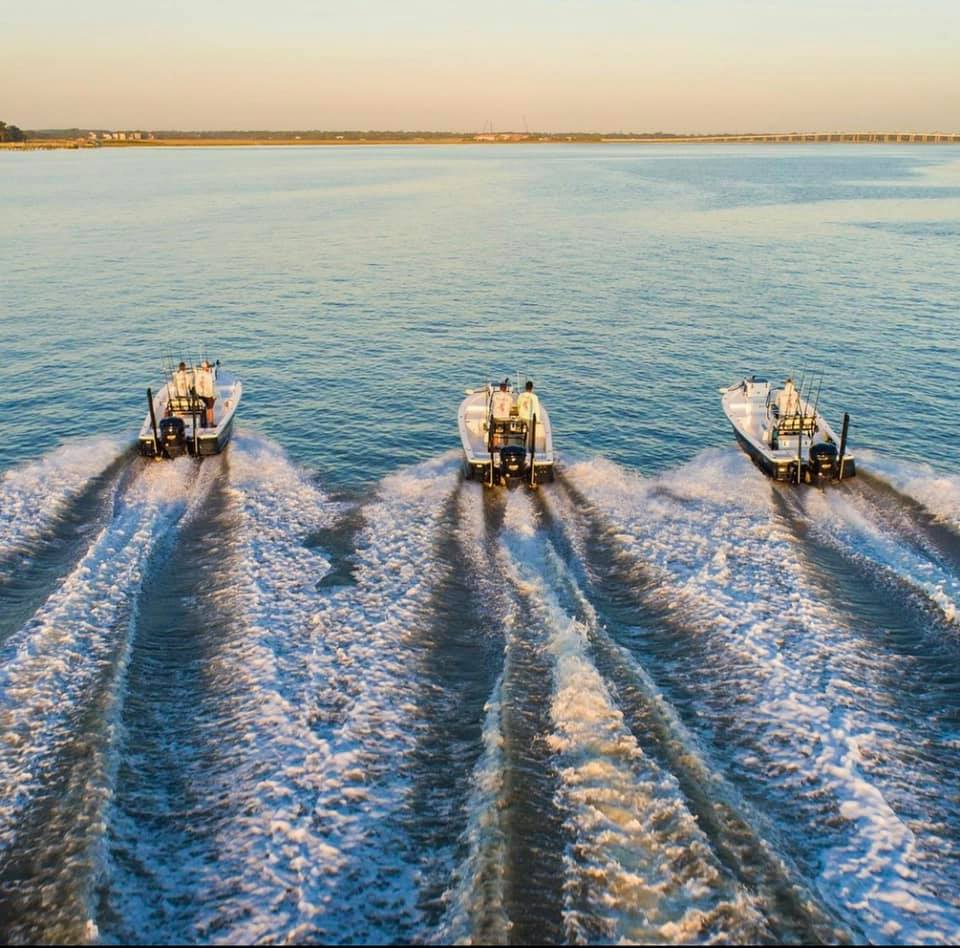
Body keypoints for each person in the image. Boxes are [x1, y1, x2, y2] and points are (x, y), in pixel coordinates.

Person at [195, 359, 217, 427]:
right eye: (208, 366)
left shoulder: (198, 374)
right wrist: (214, 396)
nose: (209, 367)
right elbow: (211, 386)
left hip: (200, 394)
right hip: (208, 394)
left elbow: (197, 384)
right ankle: (211, 423)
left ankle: (205, 422)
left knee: (205, 408)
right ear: (206, 367)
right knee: (210, 408)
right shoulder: (208, 375)